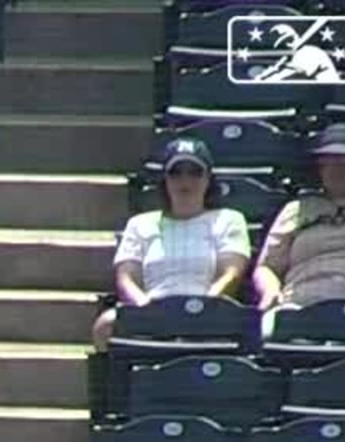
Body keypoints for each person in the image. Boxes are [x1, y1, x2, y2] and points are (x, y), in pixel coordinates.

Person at [91, 136, 252, 351]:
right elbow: (126, 278)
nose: (185, 181)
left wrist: (201, 309)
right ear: (164, 180)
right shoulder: (140, 224)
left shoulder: (229, 219)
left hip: (210, 311)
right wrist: (146, 308)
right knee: (105, 325)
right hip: (152, 310)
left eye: (195, 172)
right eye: (176, 173)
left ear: (208, 179)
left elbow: (231, 274)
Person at [252, 121, 345, 333]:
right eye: (328, 162)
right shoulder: (296, 210)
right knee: (268, 328)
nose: (336, 169)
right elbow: (267, 267)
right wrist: (270, 290)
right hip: (301, 304)